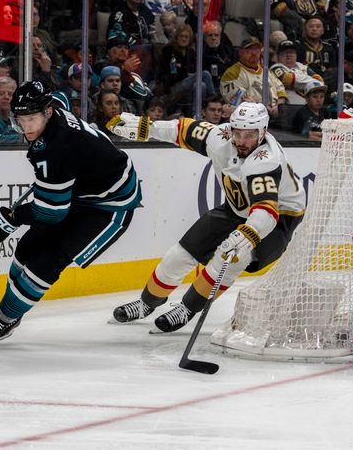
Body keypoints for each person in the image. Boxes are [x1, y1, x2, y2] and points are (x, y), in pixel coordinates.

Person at [0, 81, 142, 349]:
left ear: (47, 113)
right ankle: (12, 314)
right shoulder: (55, 104)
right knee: (26, 249)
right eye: (21, 119)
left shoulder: (56, 148)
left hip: (110, 204)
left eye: (32, 119)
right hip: (82, 189)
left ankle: (3, 317)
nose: (26, 127)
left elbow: (50, 213)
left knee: (46, 262)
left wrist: (8, 220)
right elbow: (59, 96)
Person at [107, 101, 306, 332]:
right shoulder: (219, 137)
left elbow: (266, 211)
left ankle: (188, 308)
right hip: (237, 208)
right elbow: (181, 129)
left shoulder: (266, 161)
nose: (241, 141)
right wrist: (145, 127)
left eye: (249, 135)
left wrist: (246, 236)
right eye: (237, 133)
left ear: (263, 132)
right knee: (179, 254)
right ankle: (147, 303)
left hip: (279, 218)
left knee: (230, 258)